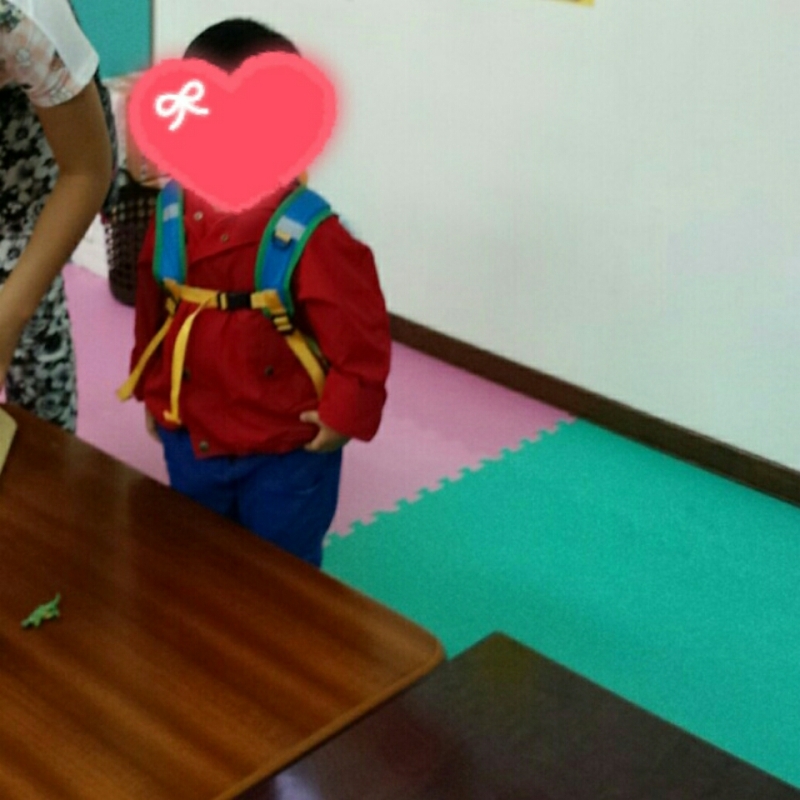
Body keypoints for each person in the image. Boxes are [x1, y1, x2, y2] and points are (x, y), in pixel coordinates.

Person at [121, 19, 392, 567]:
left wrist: (344, 413)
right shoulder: (171, 213)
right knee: (200, 556)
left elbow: (359, 334)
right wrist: (153, 388)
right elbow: (155, 309)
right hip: (192, 431)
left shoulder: (310, 233)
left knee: (282, 571)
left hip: (284, 448)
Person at [0, 0, 117, 431]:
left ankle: (47, 443)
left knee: (26, 301)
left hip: (31, 124)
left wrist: (7, 321)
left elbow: (86, 169)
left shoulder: (25, 18)